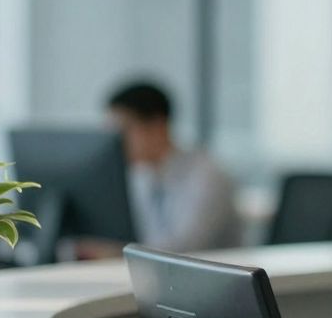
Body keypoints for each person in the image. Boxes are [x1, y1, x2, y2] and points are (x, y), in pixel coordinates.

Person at [103, 81, 242, 254]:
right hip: (158, 276)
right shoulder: (140, 176)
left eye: (123, 131)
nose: (116, 143)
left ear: (157, 126)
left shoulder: (207, 175)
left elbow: (184, 247)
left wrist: (115, 252)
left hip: (207, 276)